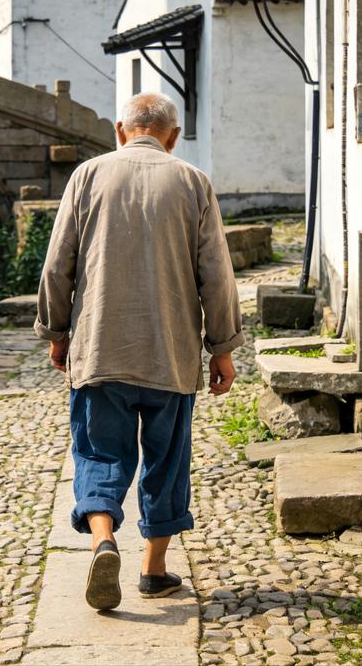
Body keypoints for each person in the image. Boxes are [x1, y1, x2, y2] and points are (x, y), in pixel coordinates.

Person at [35, 91, 242, 611]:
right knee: (166, 461)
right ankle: (153, 570)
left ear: (120, 130)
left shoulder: (88, 176)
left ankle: (104, 538)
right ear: (172, 137)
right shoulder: (193, 182)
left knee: (100, 452)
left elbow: (58, 266)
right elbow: (216, 275)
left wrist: (58, 334)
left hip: (101, 348)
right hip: (169, 355)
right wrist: (222, 348)